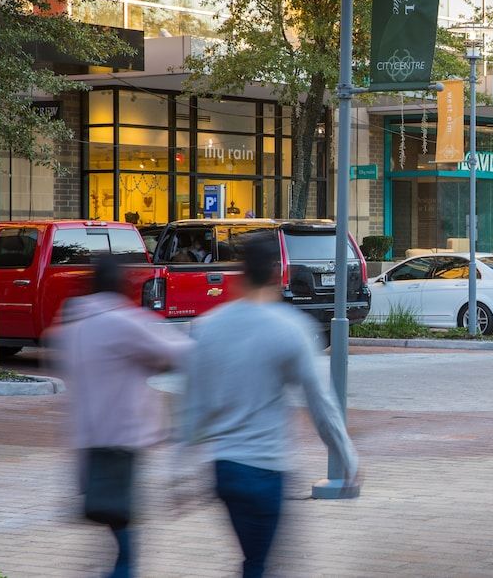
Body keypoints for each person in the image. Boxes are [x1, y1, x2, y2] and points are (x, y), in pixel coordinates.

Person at [179, 234, 358, 578]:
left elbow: (193, 403)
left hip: (224, 469)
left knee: (254, 560)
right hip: (265, 468)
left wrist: (178, 466)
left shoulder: (207, 327)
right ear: (279, 272)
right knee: (261, 564)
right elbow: (319, 402)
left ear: (240, 273)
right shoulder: (292, 328)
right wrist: (346, 455)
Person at [54, 255, 192, 578]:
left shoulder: (72, 326)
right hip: (120, 445)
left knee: (116, 535)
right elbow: (178, 353)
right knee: (126, 546)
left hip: (86, 444)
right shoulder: (121, 322)